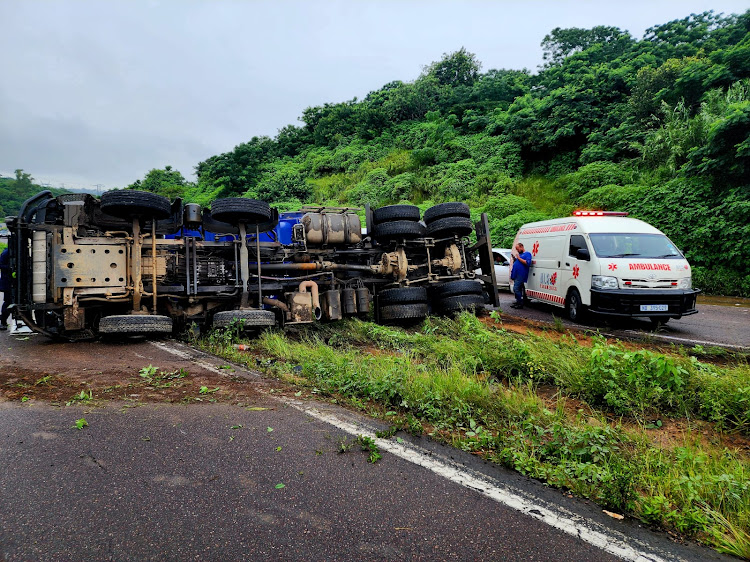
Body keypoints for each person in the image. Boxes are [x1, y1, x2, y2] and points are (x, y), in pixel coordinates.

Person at [510, 242, 532, 309]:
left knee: (515, 288)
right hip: (516, 274)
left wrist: (519, 258)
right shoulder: (520, 255)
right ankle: (518, 301)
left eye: (518, 249)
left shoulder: (527, 254)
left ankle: (520, 303)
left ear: (521, 247)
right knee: (519, 288)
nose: (517, 250)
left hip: (521, 274)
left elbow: (527, 263)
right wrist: (515, 259)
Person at [0, 248, 11, 329]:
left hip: (8, 282)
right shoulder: (6, 253)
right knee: (7, 302)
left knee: (7, 302)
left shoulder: (7, 252)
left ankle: (3, 322)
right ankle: (3, 322)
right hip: (7, 282)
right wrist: (10, 267)